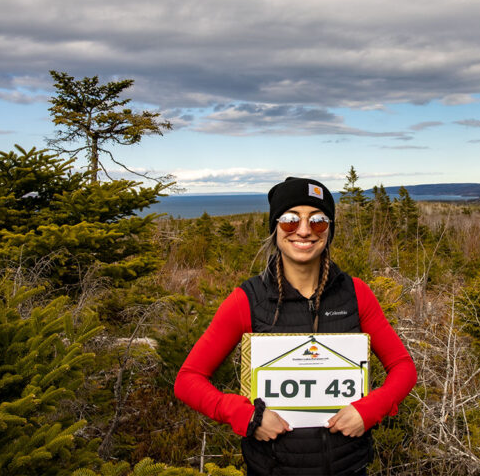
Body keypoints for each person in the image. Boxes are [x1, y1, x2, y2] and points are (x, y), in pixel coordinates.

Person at [174, 177, 417, 476]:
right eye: (290, 220)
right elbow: (188, 379)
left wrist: (368, 411)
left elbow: (403, 367)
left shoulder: (355, 294)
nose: (304, 230)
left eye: (317, 221)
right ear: (275, 227)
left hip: (348, 468)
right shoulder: (247, 300)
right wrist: (247, 416)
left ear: (329, 230)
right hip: (272, 469)